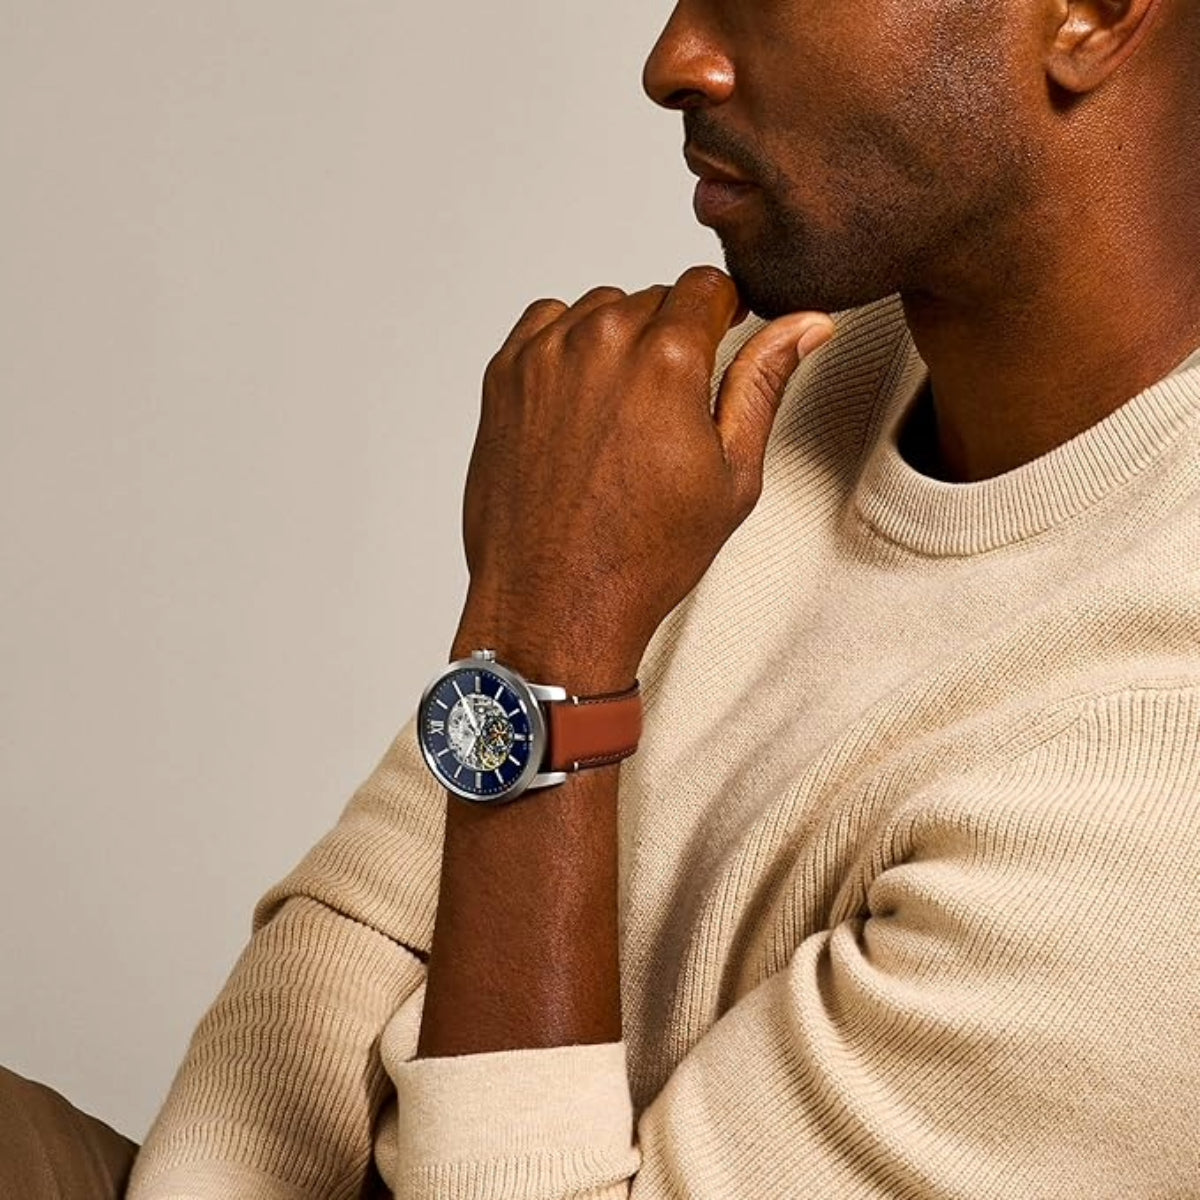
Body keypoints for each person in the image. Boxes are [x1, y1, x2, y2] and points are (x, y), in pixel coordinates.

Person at [13, 0, 1200, 1194]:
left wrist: (547, 648)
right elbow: (365, 924)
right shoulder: (788, 382)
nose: (672, 60)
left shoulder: (1157, 781)